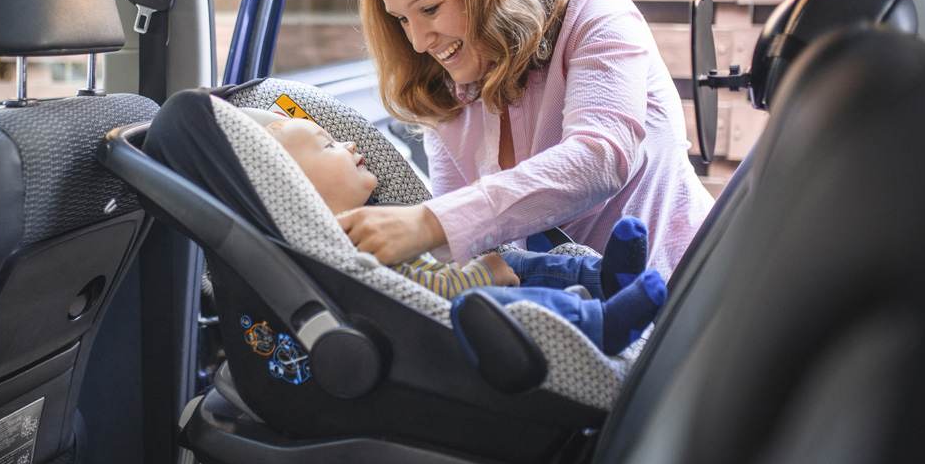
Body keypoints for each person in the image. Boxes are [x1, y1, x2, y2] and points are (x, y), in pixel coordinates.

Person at [338, 0, 713, 281]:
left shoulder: (598, 14)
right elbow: (467, 244)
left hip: (684, 295)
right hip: (568, 319)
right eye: (402, 19)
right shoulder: (445, 88)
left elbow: (600, 158)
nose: (417, 41)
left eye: (430, 8)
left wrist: (429, 223)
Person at [266, 115, 666, 355]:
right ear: (299, 186)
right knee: (499, 297)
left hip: (458, 281)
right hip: (450, 317)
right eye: (329, 145)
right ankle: (599, 324)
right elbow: (415, 295)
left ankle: (599, 278)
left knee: (513, 261)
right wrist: (480, 275)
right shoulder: (340, 242)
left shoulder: (366, 220)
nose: (349, 142)